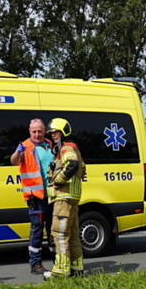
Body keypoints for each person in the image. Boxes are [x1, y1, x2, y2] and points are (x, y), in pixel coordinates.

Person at [10, 118, 55, 277]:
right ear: (30, 131)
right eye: (34, 131)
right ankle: (35, 263)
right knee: (37, 230)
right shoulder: (25, 146)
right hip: (35, 196)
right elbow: (14, 162)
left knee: (53, 229)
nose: (37, 134)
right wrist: (18, 151)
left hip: (51, 194)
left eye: (40, 131)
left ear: (44, 131)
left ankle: (57, 261)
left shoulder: (49, 144)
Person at [46, 118, 85, 278]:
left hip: (63, 198)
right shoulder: (71, 148)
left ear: (63, 132)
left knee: (59, 234)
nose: (53, 135)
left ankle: (60, 271)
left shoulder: (66, 148)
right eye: (51, 133)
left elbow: (73, 165)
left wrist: (58, 181)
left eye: (55, 132)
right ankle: (77, 269)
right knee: (73, 234)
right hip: (72, 200)